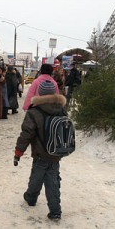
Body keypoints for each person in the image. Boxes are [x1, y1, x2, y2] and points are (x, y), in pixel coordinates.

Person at [14, 80, 67, 221]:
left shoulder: (34, 111)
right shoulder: (61, 109)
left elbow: (26, 134)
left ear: (40, 93)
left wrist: (18, 152)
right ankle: (55, 210)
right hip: (56, 151)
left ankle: (31, 197)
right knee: (52, 179)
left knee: (38, 175)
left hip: (40, 152)